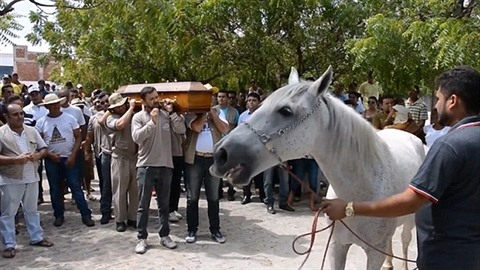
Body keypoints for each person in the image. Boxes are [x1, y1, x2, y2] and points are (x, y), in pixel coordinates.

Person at [320, 65, 480, 270]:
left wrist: (348, 208)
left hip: (446, 257)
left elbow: (410, 203)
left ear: (453, 101)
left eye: (439, 98)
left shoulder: (450, 146)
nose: (437, 104)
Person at [0, 103, 54, 259]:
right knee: (8, 213)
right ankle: (9, 244)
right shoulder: (2, 133)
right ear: (6, 117)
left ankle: (36, 237)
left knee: (31, 209)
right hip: (10, 178)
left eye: (21, 113)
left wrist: (37, 155)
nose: (20, 117)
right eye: (15, 114)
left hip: (31, 177)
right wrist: (15, 160)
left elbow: (43, 148)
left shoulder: (31, 130)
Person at [131, 87, 181, 253]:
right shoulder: (138, 117)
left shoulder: (166, 115)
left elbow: (181, 130)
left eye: (156, 97)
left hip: (165, 165)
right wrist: (151, 123)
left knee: (164, 205)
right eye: (151, 99)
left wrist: (172, 112)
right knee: (143, 205)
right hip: (146, 165)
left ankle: (164, 236)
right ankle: (142, 238)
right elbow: (136, 137)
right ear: (144, 101)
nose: (156, 101)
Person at [35, 94, 95, 227]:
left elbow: (78, 137)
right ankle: (58, 215)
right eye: (52, 105)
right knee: (55, 189)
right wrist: (50, 155)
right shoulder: (41, 122)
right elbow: (39, 143)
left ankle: (86, 214)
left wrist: (73, 155)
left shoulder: (69, 118)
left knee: (76, 187)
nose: (55, 107)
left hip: (69, 158)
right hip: (52, 160)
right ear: (47, 107)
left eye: (57, 104)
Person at [183, 104, 230, 244]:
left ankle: (215, 229)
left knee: (214, 197)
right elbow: (197, 127)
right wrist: (203, 112)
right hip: (194, 160)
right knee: (192, 197)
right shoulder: (190, 113)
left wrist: (212, 112)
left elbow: (225, 129)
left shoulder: (218, 112)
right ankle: (192, 229)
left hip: (213, 159)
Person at [105, 93, 138, 233]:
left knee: (135, 190)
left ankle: (133, 218)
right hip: (120, 158)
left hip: (135, 157)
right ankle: (120, 219)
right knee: (119, 191)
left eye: (123, 104)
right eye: (118, 106)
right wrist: (131, 109)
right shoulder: (111, 118)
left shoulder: (134, 115)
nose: (121, 108)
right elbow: (120, 125)